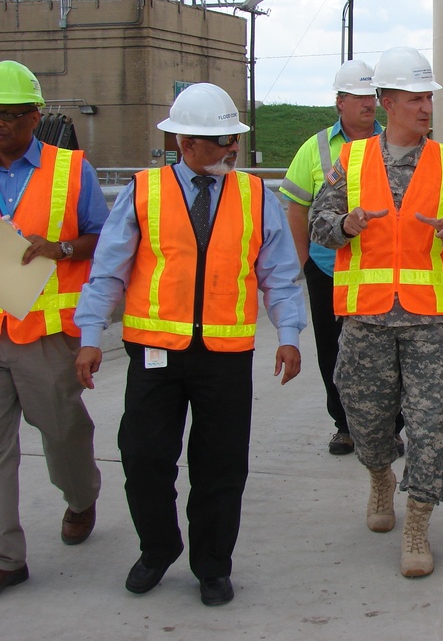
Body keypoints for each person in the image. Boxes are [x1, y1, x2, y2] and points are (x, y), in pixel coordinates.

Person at [74, 83, 306, 605]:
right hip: (155, 354)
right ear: (184, 142)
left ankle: (212, 565)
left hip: (225, 358)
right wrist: (91, 336)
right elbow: (107, 272)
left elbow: (280, 276)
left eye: (233, 140)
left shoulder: (255, 197)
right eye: (220, 140)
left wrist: (288, 335)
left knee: (221, 467)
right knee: (141, 457)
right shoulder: (143, 192)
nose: (230, 149)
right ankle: (158, 549)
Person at [310, 46, 443, 578]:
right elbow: (321, 223)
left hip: (430, 322)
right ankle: (379, 477)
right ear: (386, 101)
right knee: (364, 421)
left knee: (432, 425)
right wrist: (346, 226)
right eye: (415, 98)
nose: (425, 107)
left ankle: (417, 524)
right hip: (365, 320)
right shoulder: (352, 161)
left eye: (428, 97)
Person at [0, 61, 106, 596]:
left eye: (11, 116)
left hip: (44, 334)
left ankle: (81, 495)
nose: (1, 125)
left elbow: (100, 238)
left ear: (34, 116)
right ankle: (6, 557)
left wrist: (58, 248)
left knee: (63, 432)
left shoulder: (69, 171)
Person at [279, 60, 404, 457]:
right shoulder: (314, 148)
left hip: (379, 271)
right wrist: (304, 264)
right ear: (340, 101)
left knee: (390, 355)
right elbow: (296, 206)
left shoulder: (397, 142)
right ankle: (344, 426)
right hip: (328, 269)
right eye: (360, 97)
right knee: (333, 350)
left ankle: (389, 428)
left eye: (373, 96)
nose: (368, 104)